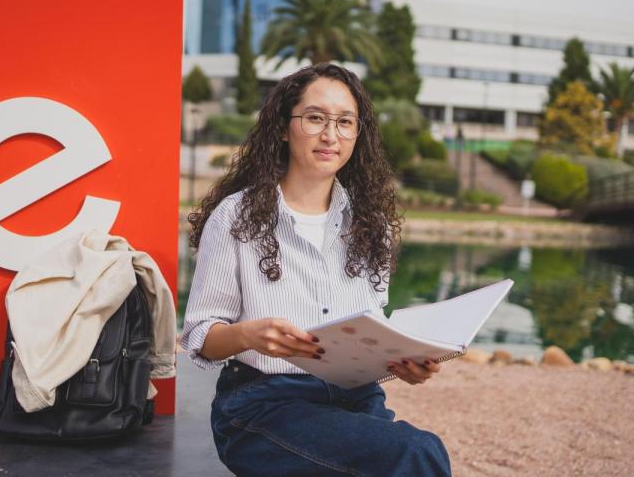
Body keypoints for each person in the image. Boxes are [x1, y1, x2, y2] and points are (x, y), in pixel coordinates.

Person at [181, 63, 452, 476]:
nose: (331, 135)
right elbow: (200, 336)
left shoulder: (370, 226)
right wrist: (247, 335)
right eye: (315, 118)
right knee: (415, 451)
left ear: (358, 135)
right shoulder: (234, 217)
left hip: (355, 400)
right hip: (262, 406)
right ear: (282, 128)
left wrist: (402, 361)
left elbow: (370, 328)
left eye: (345, 122)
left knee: (408, 452)